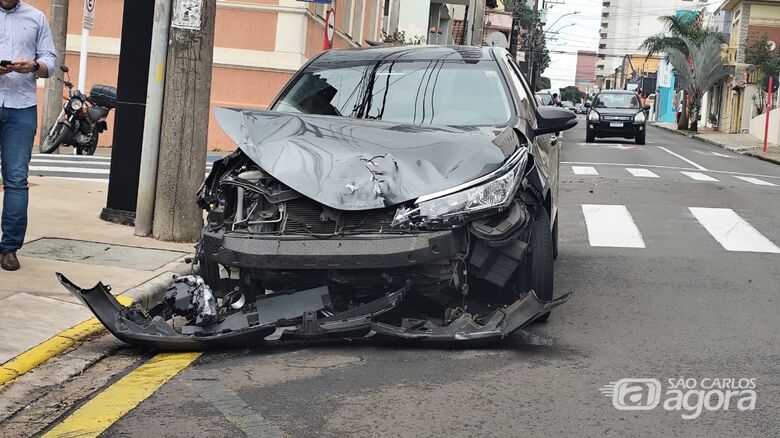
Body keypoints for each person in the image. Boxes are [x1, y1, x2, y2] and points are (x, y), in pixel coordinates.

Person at [0, 0, 56, 271]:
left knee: (16, 180)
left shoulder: (36, 17)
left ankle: (9, 248)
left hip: (22, 107)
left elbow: (50, 61)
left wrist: (33, 66)